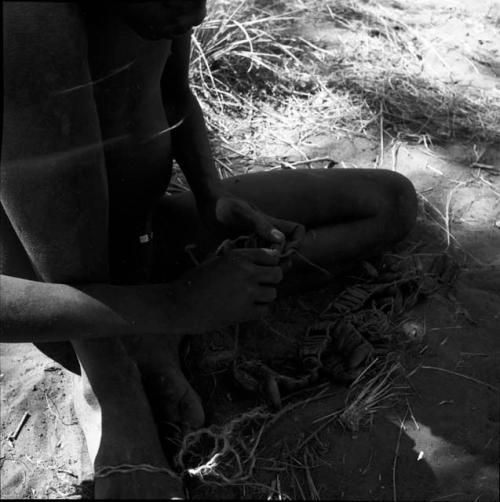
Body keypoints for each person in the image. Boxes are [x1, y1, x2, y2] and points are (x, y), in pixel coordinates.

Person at [1, 1, 417, 498]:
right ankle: (111, 383)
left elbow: (173, 94)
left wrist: (211, 193)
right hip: (62, 294)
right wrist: (176, 305)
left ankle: (150, 334)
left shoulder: (158, 8)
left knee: (389, 204)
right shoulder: (22, 22)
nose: (197, 14)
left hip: (147, 243)